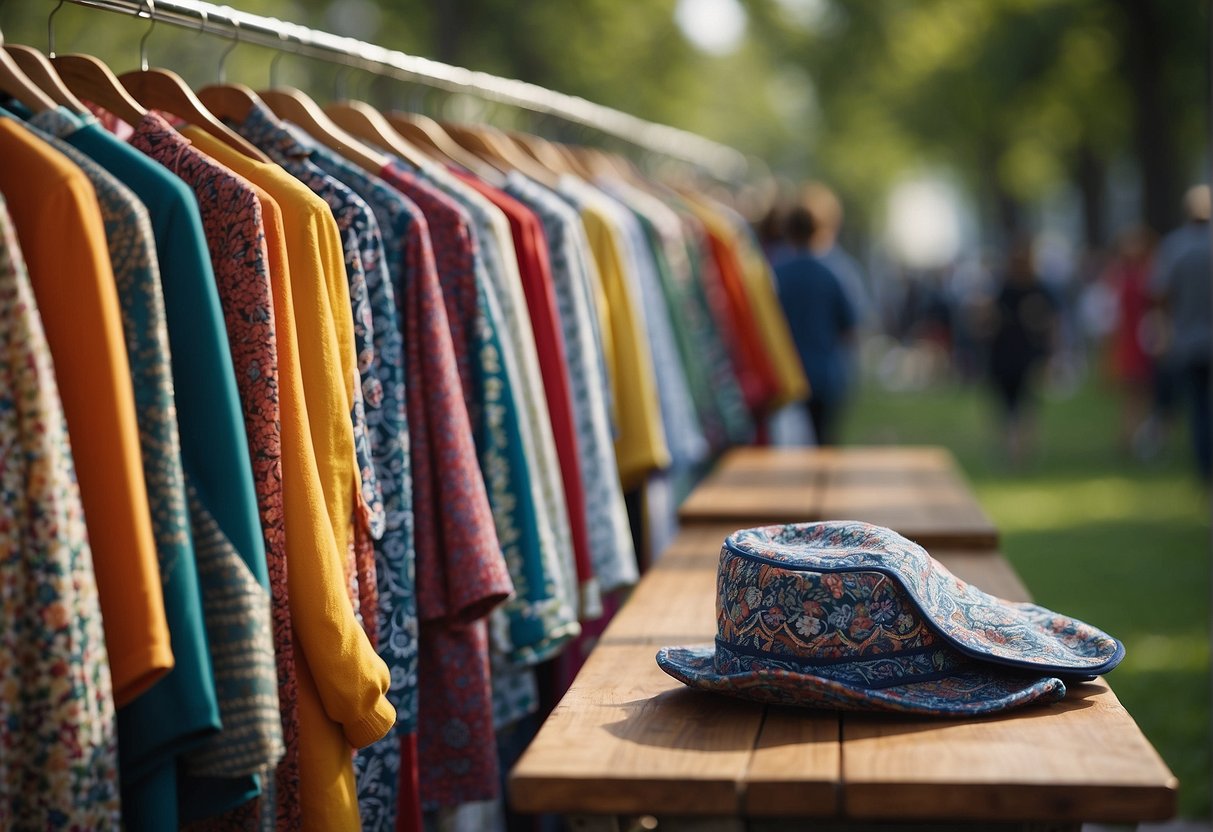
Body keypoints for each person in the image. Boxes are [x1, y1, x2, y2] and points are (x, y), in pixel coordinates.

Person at [773, 201, 858, 445]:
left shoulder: (776, 273)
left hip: (787, 375)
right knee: (824, 444)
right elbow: (849, 326)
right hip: (825, 376)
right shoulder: (833, 272)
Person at [1150, 185, 1212, 482]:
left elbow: (1161, 295)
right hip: (1194, 338)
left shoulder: (1175, 247)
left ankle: (1204, 466)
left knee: (1199, 407)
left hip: (1189, 341)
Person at [986, 237, 1057, 467]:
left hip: (1019, 354)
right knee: (1016, 405)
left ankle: (1018, 449)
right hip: (1012, 354)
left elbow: (1049, 323)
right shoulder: (1012, 288)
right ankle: (1017, 448)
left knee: (1018, 406)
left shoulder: (1029, 288)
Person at [1102, 227, 1157, 455]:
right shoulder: (1121, 276)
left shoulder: (1146, 273)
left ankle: (1135, 438)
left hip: (1142, 339)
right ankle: (1132, 439)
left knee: (1141, 396)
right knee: (1133, 397)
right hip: (1128, 340)